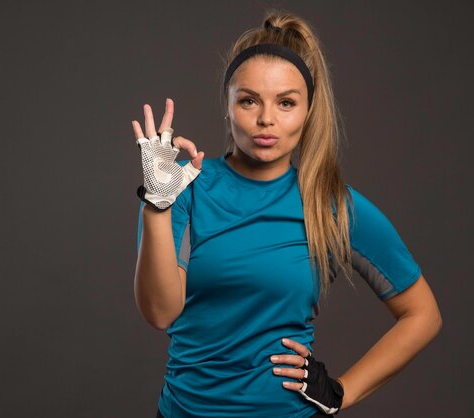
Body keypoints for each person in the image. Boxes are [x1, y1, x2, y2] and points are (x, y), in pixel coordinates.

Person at [132, 9, 442, 418]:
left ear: (308, 111)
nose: (266, 119)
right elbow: (159, 312)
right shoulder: (183, 188)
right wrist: (158, 204)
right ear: (227, 106)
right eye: (248, 101)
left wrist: (340, 392)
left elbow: (423, 315)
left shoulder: (330, 204)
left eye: (286, 103)